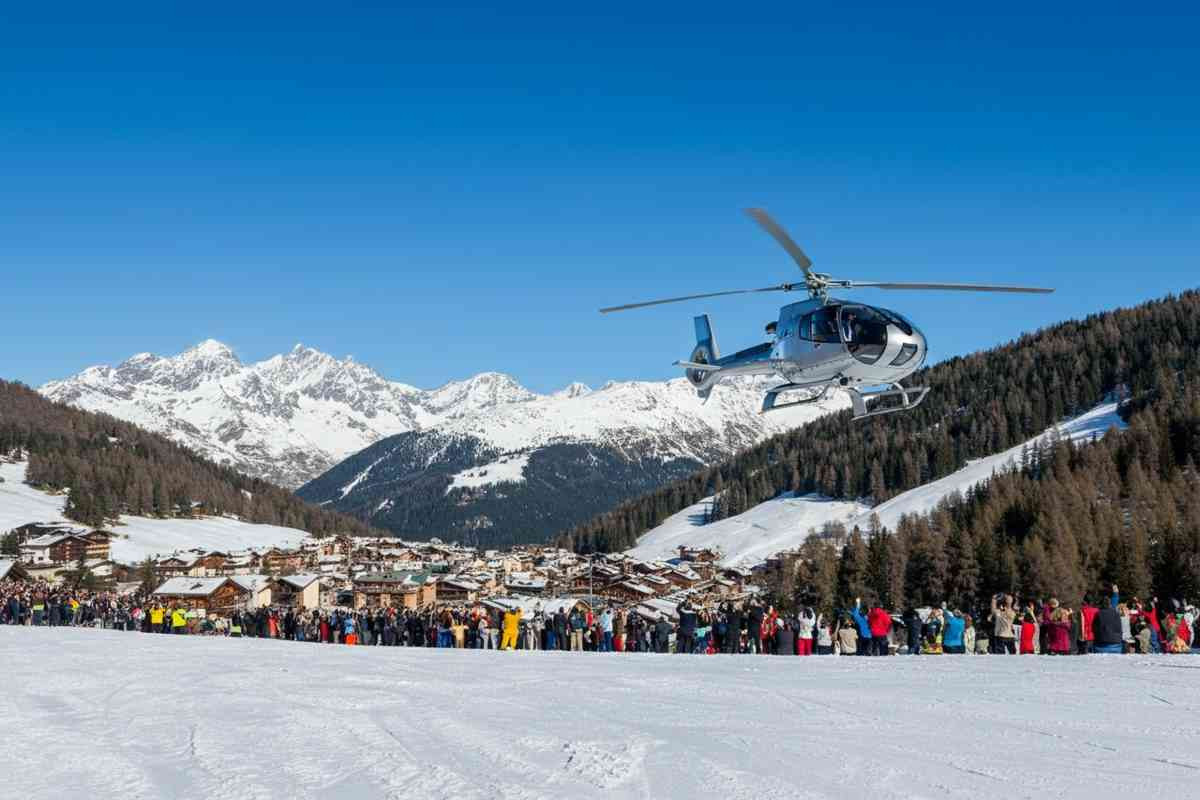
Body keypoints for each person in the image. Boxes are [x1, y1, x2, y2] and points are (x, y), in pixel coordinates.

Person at [1093, 584, 1123, 654]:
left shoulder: (1098, 613)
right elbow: (1119, 628)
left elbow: (1094, 628)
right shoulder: (1115, 613)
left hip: (1101, 643)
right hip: (1115, 643)